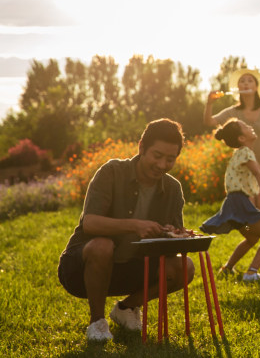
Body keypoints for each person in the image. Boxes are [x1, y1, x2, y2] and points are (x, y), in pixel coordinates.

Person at [57, 118, 193, 343]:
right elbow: (90, 223)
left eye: (170, 159)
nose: (162, 165)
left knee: (184, 266)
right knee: (103, 245)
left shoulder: (172, 189)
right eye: (157, 156)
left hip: (135, 269)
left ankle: (126, 308)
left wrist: (170, 233)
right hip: (81, 271)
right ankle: (97, 323)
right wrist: (135, 225)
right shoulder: (111, 172)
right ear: (141, 147)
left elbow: (170, 249)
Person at [200, 119, 260, 282]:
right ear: (242, 138)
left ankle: (227, 268)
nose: (250, 126)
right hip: (238, 202)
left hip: (233, 203)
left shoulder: (239, 153)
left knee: (252, 238)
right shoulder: (246, 152)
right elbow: (257, 173)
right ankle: (251, 273)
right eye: (245, 127)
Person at [204, 68, 260, 200]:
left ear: (257, 87)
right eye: (242, 81)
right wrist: (209, 103)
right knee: (252, 201)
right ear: (238, 87)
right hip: (247, 164)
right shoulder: (231, 112)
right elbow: (209, 121)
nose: (246, 83)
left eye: (250, 81)